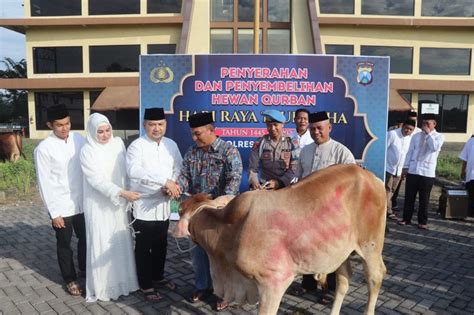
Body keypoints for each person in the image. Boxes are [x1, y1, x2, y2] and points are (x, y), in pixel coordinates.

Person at [175, 112, 242, 311]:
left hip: (221, 212)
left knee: (221, 256)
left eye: (198, 134)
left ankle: (225, 293)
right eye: (193, 135)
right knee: (198, 253)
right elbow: (184, 176)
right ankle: (202, 286)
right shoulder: (192, 152)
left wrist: (220, 203)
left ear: (211, 130)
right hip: (198, 213)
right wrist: (176, 187)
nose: (194, 138)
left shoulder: (229, 151)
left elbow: (234, 181)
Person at [294, 111, 355, 298]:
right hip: (308, 211)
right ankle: (309, 284)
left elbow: (353, 183)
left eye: (320, 128)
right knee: (307, 247)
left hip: (332, 213)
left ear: (329, 127)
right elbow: (299, 178)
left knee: (331, 250)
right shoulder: (305, 151)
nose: (316, 132)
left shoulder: (341, 152)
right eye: (312, 129)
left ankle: (331, 288)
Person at [80, 113, 140, 302]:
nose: (105, 135)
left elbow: (125, 171)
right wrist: (121, 192)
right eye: (100, 132)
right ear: (92, 132)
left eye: (107, 130)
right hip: (98, 205)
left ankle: (125, 282)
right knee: (102, 241)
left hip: (119, 203)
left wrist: (129, 190)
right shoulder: (87, 150)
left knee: (120, 241)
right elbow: (95, 180)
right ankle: (104, 287)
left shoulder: (118, 144)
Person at [126, 107, 182, 301]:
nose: (156, 128)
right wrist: (163, 181)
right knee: (144, 246)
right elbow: (135, 171)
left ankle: (158, 277)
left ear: (165, 124)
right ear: (144, 125)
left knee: (161, 245)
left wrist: (171, 185)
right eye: (152, 124)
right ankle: (145, 284)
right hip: (143, 205)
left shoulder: (171, 145)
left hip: (164, 205)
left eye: (160, 124)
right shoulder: (136, 146)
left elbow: (178, 168)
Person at [34, 104, 86, 296]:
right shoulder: (43, 149)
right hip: (61, 206)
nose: (65, 128)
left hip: (82, 203)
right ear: (50, 125)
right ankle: (70, 279)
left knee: (85, 238)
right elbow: (44, 183)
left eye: (67, 123)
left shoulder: (79, 139)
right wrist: (54, 213)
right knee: (64, 245)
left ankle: (84, 269)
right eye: (59, 125)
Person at [399, 113, 444, 230]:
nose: (425, 125)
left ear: (434, 124)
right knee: (409, 196)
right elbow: (410, 152)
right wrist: (405, 167)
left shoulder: (439, 137)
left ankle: (422, 221)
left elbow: (434, 147)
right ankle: (406, 218)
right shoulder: (416, 136)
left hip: (427, 172)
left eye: (428, 123)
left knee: (424, 199)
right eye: (424, 123)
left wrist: (428, 134)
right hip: (413, 170)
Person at [249, 109, 299, 190]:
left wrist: (278, 183)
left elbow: (294, 169)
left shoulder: (292, 143)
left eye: (275, 125)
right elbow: (253, 168)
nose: (272, 128)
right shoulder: (260, 143)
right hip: (265, 186)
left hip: (285, 187)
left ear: (282, 124)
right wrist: (254, 181)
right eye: (269, 125)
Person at [385, 119, 416, 219]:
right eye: (406, 128)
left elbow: (407, 155)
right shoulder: (392, 134)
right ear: (403, 126)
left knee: (393, 190)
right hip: (388, 167)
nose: (408, 131)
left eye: (411, 129)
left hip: (399, 170)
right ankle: (387, 211)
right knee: (387, 189)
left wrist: (404, 169)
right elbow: (384, 148)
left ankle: (385, 207)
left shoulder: (410, 139)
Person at [391, 111, 421, 211]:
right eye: (410, 119)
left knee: (408, 187)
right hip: (396, 164)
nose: (408, 130)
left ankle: (409, 206)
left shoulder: (419, 132)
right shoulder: (395, 131)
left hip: (410, 163)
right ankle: (393, 203)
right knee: (395, 186)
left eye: (414, 120)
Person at [460, 136, 474, 217]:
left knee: (471, 197)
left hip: (471, 176)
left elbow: (464, 159)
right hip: (471, 175)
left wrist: (463, 171)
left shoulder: (470, 141)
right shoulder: (470, 141)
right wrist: (463, 171)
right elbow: (464, 158)